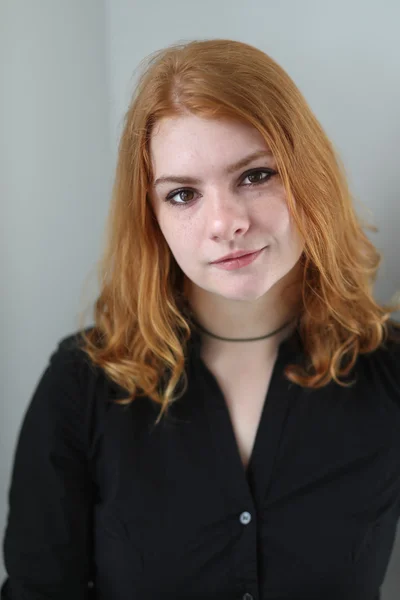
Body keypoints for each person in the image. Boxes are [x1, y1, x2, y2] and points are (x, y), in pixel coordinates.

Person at [1, 38, 400, 600]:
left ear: (308, 175)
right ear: (152, 217)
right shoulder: (80, 386)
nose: (224, 222)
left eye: (255, 175)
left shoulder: (389, 374)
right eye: (184, 194)